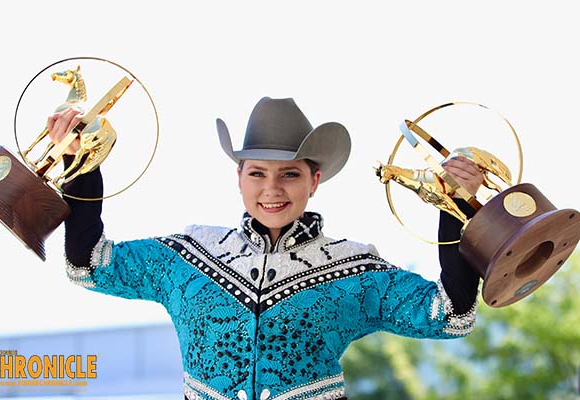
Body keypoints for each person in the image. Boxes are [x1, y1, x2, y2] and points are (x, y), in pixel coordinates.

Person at [52, 97, 482, 400]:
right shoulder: (185, 257)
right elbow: (88, 265)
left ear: (315, 181)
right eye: (257, 173)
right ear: (239, 177)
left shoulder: (356, 269)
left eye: (290, 175)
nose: (272, 189)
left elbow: (451, 316)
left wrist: (456, 205)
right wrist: (81, 162)